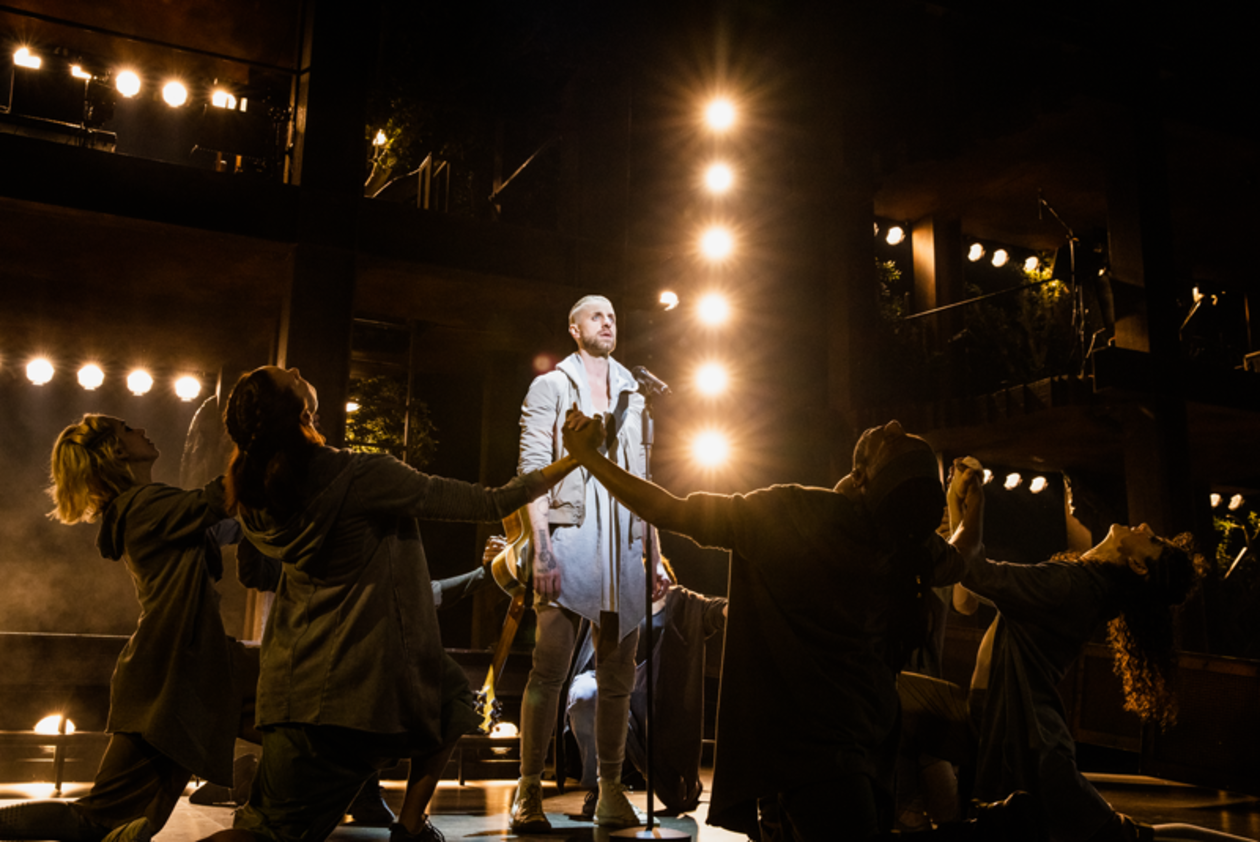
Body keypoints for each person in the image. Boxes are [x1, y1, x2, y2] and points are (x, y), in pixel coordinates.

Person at [560, 412, 987, 841]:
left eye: (892, 442)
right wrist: (971, 505)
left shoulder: (791, 514)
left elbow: (671, 510)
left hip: (804, 758)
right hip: (864, 748)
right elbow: (964, 552)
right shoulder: (907, 548)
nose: (892, 424)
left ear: (860, 478)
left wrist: (588, 457)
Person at [197, 366, 578, 842]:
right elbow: (487, 502)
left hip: (294, 687)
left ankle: (412, 826)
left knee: (452, 695)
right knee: (267, 834)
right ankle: (411, 826)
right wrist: (571, 461)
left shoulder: (254, 496)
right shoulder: (363, 476)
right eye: (288, 376)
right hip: (359, 692)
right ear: (299, 411)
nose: (296, 369)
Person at [0, 416, 260, 842]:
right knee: (99, 819)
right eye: (126, 429)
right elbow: (216, 501)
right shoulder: (145, 505)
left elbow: (225, 522)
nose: (141, 429)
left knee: (297, 715)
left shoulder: (149, 506)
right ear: (117, 451)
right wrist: (261, 437)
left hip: (193, 666)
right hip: (172, 673)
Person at [510, 294, 668, 832]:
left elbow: (644, 482)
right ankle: (528, 790)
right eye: (596, 315)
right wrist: (542, 550)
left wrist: (655, 553)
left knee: (618, 675)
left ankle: (609, 790)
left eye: (614, 316)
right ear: (574, 327)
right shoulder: (551, 386)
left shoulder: (633, 394)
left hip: (622, 547)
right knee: (549, 666)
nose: (608, 322)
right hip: (570, 537)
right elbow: (532, 473)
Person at [958, 517, 1202, 842]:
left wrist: (974, 501)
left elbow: (970, 570)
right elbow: (965, 580)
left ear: (1137, 566)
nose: (1144, 526)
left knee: (1124, 837)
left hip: (1036, 747)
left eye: (1153, 540)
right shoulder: (1085, 586)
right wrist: (960, 504)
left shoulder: (1069, 584)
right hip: (1020, 731)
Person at [565, 553, 727, 818]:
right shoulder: (609, 598)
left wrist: (738, 607)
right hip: (604, 684)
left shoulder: (679, 601)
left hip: (648, 703)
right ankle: (601, 787)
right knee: (585, 693)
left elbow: (712, 609)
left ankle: (639, 770)